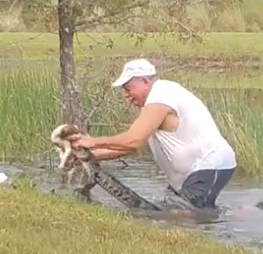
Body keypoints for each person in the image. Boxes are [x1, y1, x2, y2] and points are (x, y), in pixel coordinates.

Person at [67, 58, 236, 210]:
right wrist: (89, 157)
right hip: (196, 171)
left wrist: (92, 142)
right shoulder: (155, 102)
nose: (126, 95)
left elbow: (133, 140)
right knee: (181, 211)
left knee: (184, 216)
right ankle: (242, 214)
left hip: (209, 164)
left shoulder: (161, 96)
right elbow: (131, 148)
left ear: (145, 82)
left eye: (128, 88)